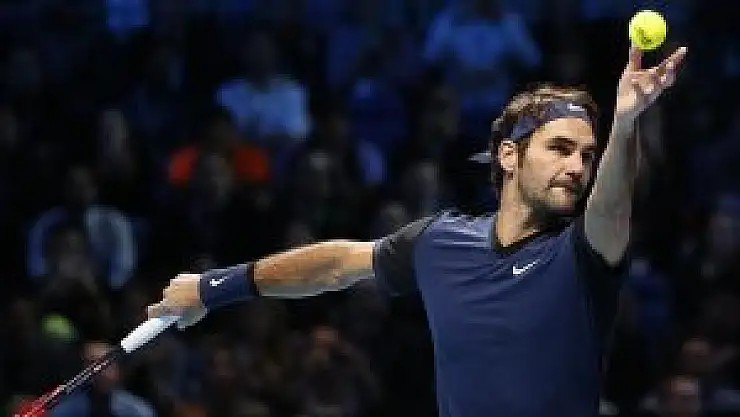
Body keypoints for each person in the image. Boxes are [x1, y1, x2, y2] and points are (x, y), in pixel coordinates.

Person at [148, 45, 687, 417]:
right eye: (561, 149)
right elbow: (336, 265)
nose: (577, 167)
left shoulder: (582, 255)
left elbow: (612, 206)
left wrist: (626, 123)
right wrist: (211, 288)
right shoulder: (439, 242)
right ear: (509, 156)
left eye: (587, 156)